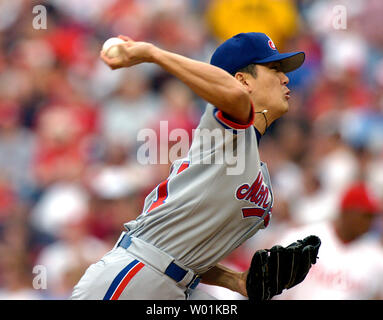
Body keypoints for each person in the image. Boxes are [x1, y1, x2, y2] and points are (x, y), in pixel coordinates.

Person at [70, 32, 305, 300]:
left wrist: (236, 281)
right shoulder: (225, 132)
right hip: (136, 276)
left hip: (178, 284)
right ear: (242, 80)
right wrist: (152, 53)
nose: (286, 78)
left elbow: (183, 251)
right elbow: (233, 96)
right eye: (274, 69)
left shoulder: (252, 160)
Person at [274, 181, 383, 300]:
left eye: (373, 216)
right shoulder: (304, 238)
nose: (370, 222)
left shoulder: (376, 258)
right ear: (347, 212)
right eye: (366, 216)